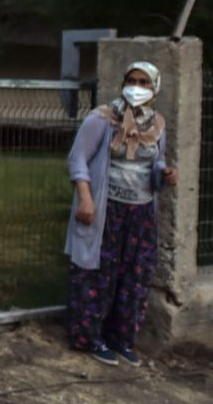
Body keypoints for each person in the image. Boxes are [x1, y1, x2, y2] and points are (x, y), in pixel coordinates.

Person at [65, 62, 177, 363]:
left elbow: (155, 161)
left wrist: (164, 173)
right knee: (98, 273)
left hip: (141, 212)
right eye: (132, 80)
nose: (136, 87)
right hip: (106, 207)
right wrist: (85, 199)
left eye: (144, 82)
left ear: (155, 88)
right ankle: (90, 337)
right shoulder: (102, 118)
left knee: (134, 275)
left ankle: (121, 339)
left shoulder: (157, 124)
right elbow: (77, 159)